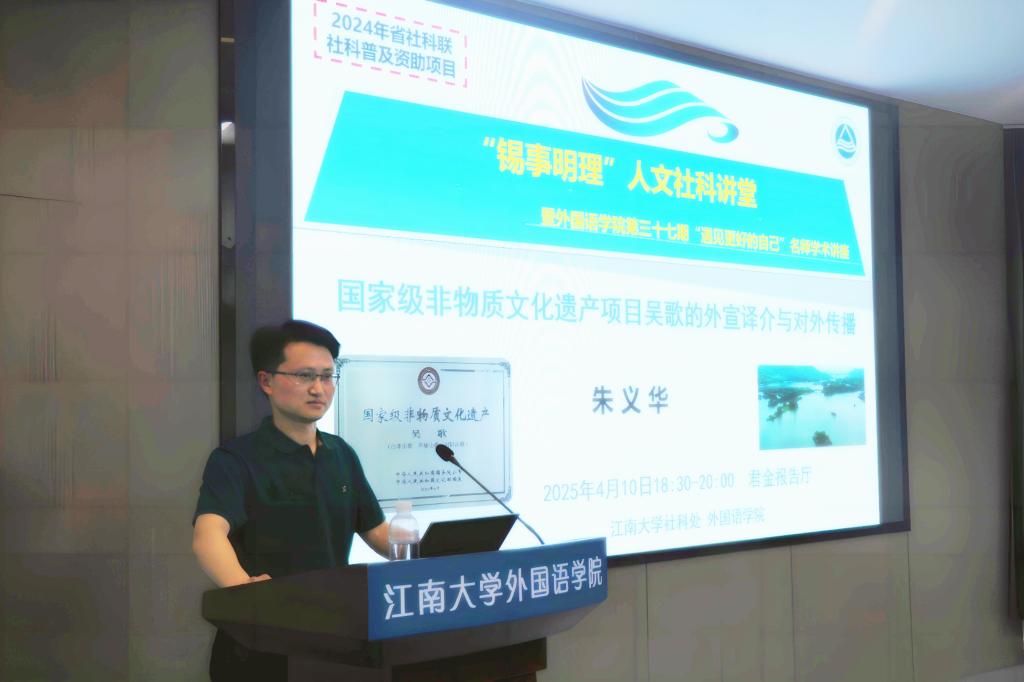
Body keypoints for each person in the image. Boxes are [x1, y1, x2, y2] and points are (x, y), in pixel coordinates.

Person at [192, 320, 389, 681]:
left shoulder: (340, 453)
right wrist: (246, 593)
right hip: (261, 643)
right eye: (304, 376)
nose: (319, 389)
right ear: (266, 381)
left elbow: (377, 532)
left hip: (334, 638)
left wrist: (438, 554)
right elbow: (208, 534)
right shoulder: (236, 459)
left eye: (327, 377)